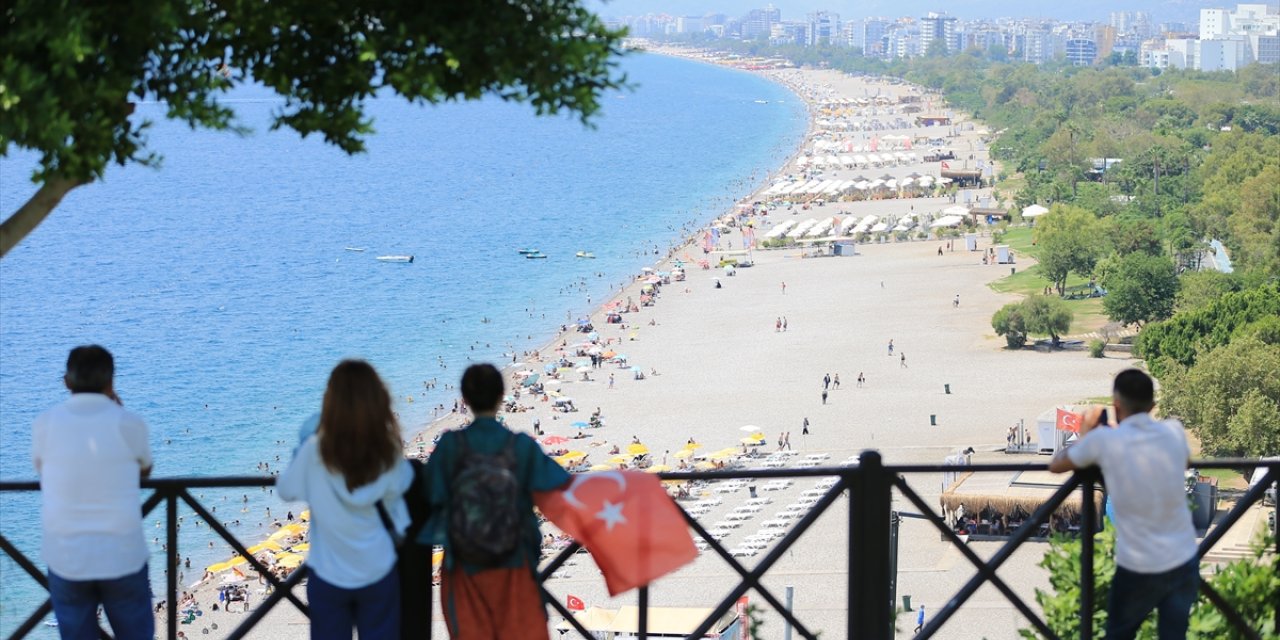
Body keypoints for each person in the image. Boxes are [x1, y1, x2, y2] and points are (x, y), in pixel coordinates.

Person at [420, 364, 572, 639]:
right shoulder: (521, 447)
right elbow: (563, 486)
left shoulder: (450, 446)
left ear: (463, 400)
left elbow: (427, 496)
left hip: (463, 568)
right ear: (502, 396)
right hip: (515, 562)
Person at [1049, 369, 1198, 640]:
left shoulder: (1105, 441)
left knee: (1118, 634)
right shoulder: (1174, 432)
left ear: (1116, 405)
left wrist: (1086, 433)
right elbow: (1185, 460)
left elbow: (1056, 465)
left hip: (1139, 564)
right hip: (1183, 557)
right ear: (1153, 406)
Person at [278, 360, 414, 640]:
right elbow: (405, 482)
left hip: (328, 572)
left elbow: (287, 490)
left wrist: (303, 444)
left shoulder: (316, 450)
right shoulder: (385, 450)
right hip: (377, 568)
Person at [32, 346, 155, 640]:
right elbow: (145, 469)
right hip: (122, 554)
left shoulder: (45, 423)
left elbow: (42, 470)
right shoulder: (129, 422)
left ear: (66, 382)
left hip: (66, 556)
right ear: (111, 383)